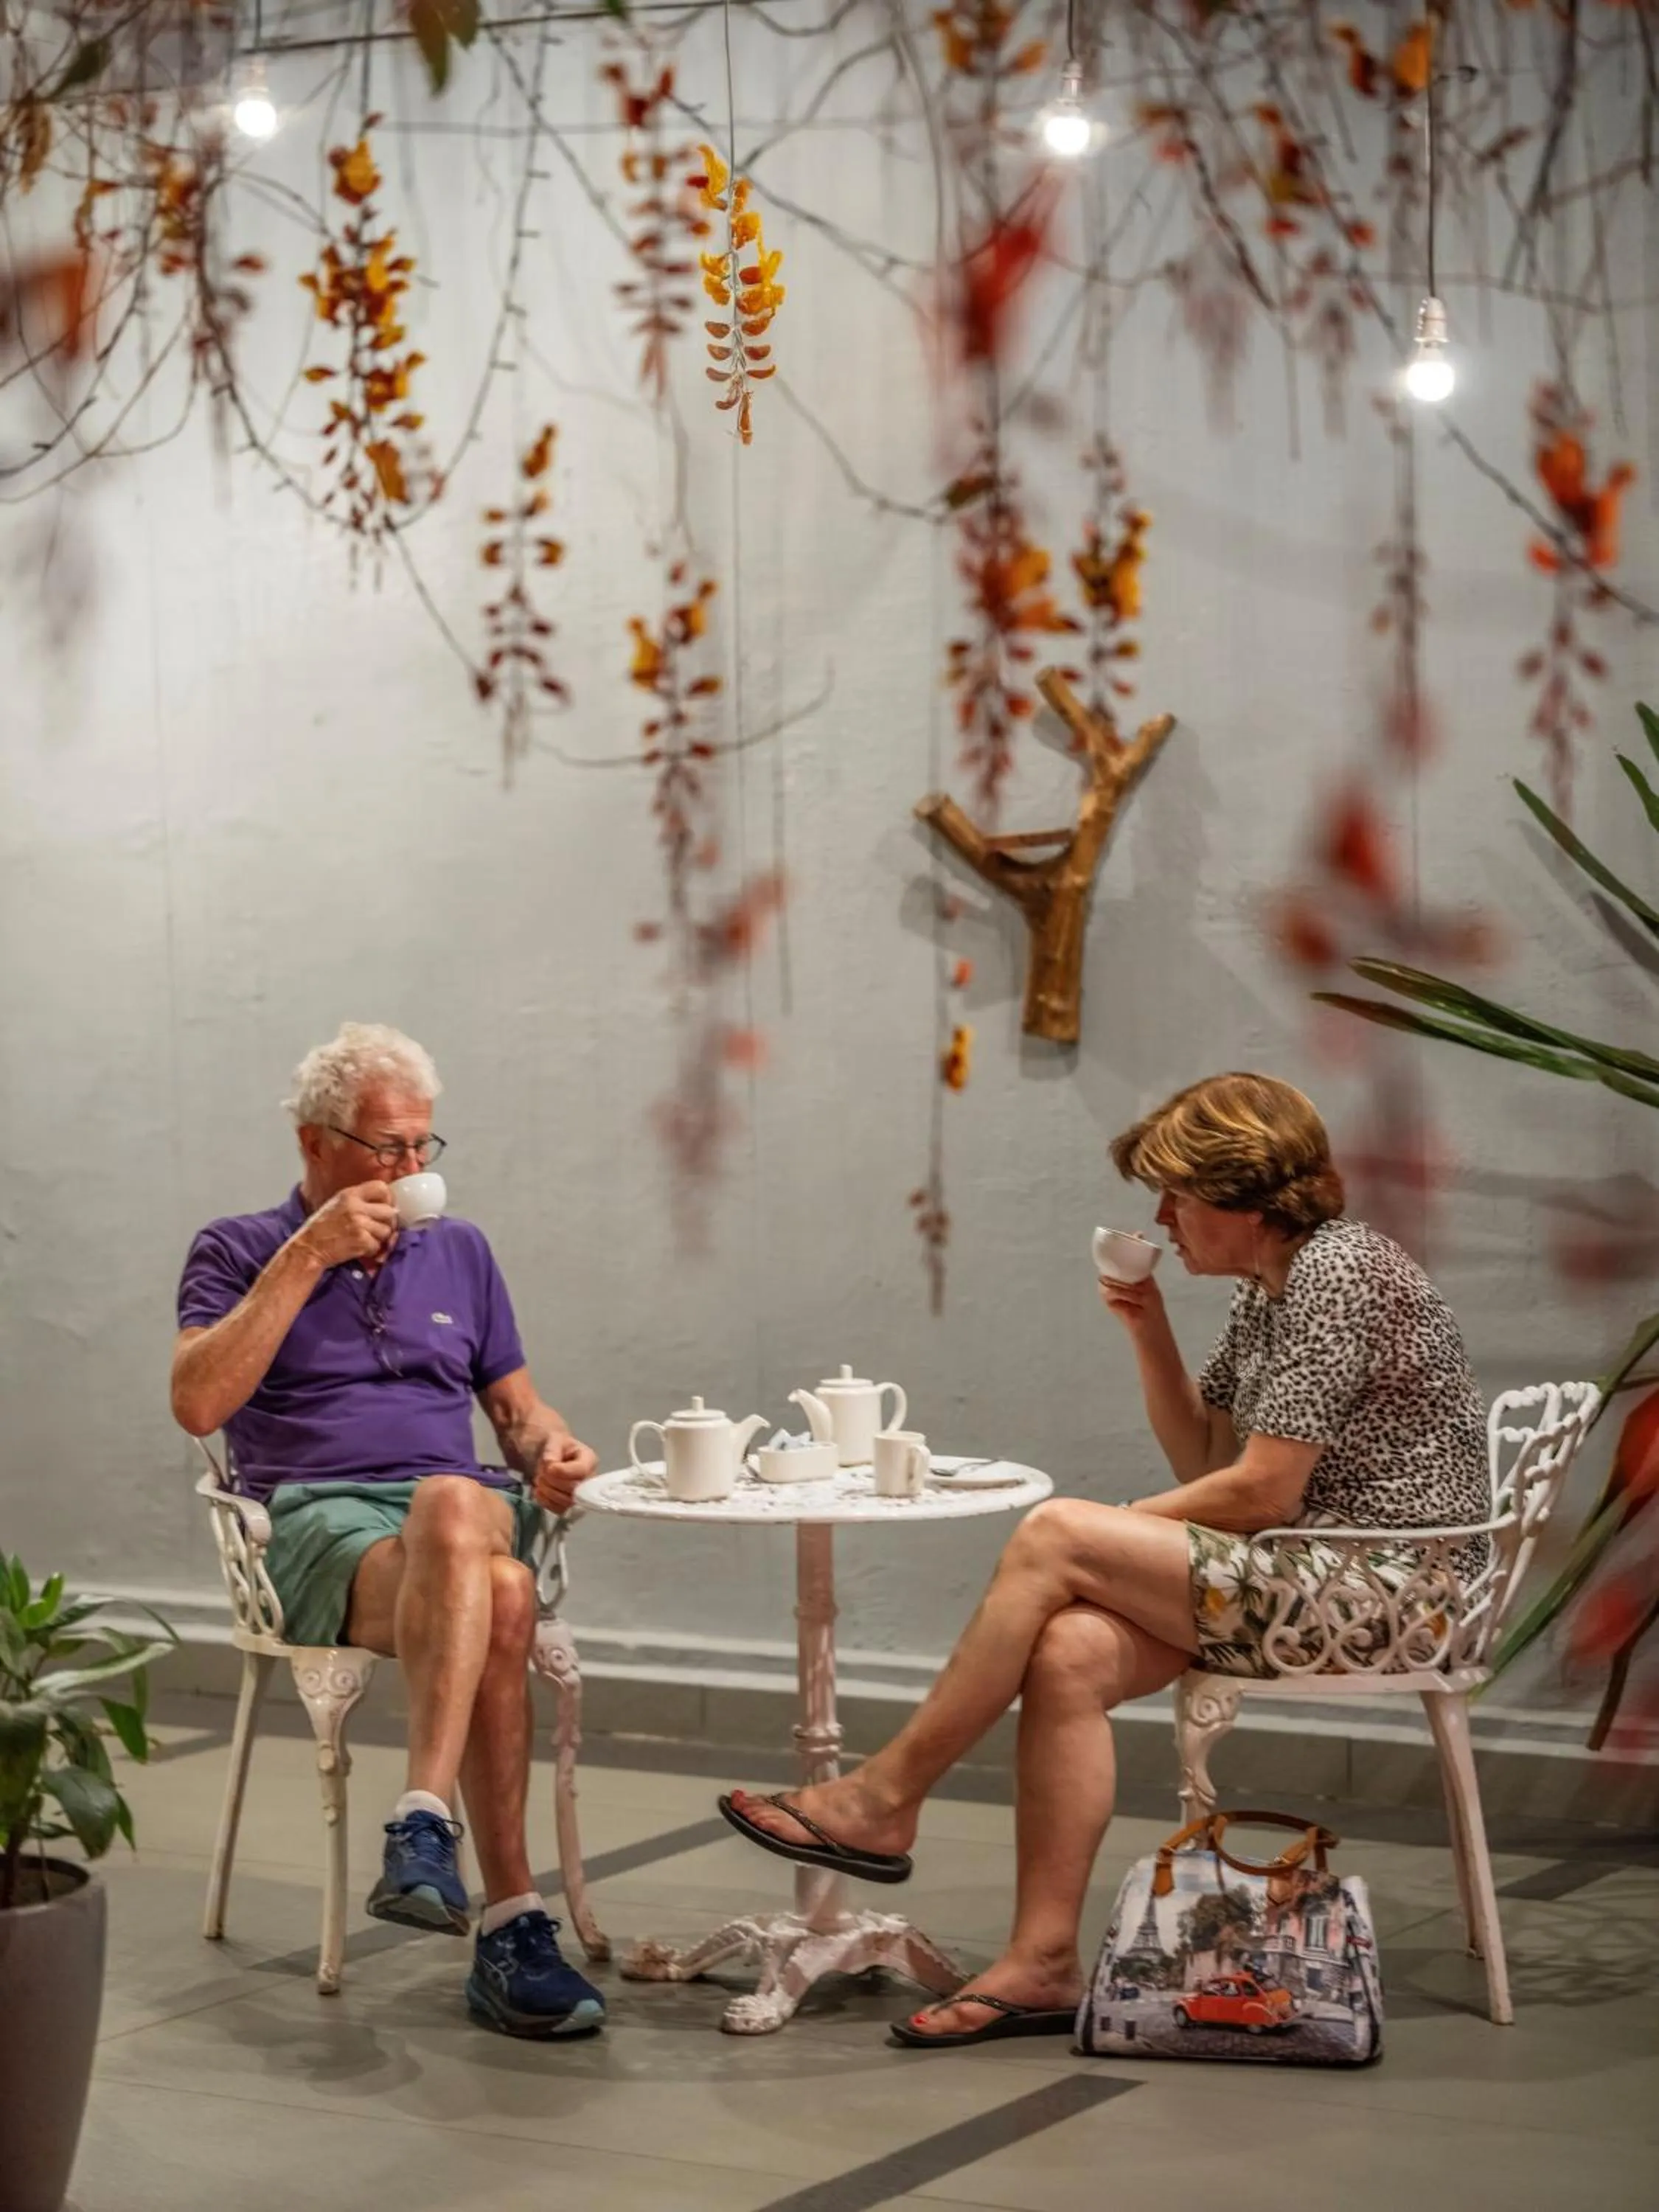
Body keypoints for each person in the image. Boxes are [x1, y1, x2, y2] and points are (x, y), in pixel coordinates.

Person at [717, 1071, 1491, 2047]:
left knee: (1056, 1532)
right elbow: (1205, 1460)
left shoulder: (1340, 1272)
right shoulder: (1267, 1288)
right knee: (1071, 1648)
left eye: (1177, 1196)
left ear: (1243, 1193)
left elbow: (1260, 1492)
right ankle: (1040, 1962)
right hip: (1298, 1574)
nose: (1162, 1218)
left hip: (1384, 1593)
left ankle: (880, 1799)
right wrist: (1144, 1322)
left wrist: (1103, 1530)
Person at [172, 1022, 605, 2039]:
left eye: (424, 1148)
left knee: (456, 1499)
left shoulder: (460, 1252)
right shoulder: (235, 1248)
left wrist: (554, 1448)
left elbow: (516, 1413)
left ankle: (419, 1822)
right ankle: (510, 1929)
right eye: (389, 1148)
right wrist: (304, 1257)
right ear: (315, 1143)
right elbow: (197, 1403)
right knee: (500, 1592)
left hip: (450, 1508)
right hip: (319, 1524)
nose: (412, 1169)